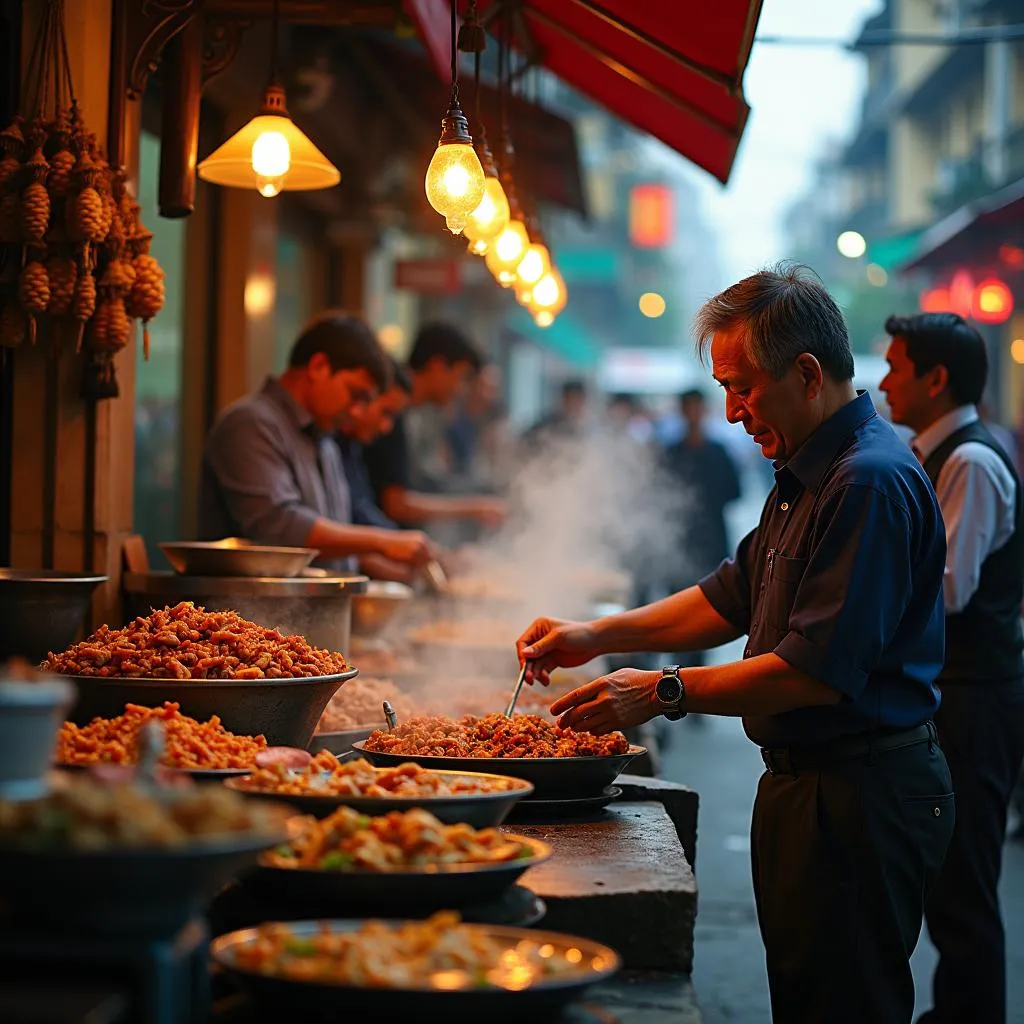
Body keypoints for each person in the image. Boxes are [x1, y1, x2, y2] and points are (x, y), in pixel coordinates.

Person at [516, 264, 954, 1024]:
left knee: (846, 1004)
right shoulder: (807, 470)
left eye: (744, 387)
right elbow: (729, 595)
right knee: (803, 994)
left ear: (808, 373)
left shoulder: (868, 482)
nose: (730, 412)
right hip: (806, 787)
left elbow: (813, 673)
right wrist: (595, 635)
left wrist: (660, 691)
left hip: (860, 796)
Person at [879, 312, 1024, 1024]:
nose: (882, 382)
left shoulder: (969, 460)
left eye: (896, 368)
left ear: (936, 379)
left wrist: (858, 594)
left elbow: (948, 591)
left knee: (965, 880)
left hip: (976, 695)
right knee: (947, 875)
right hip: (955, 691)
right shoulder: (933, 453)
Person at [198, 311, 434, 573]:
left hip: (313, 612)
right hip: (244, 612)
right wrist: (381, 541)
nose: (356, 412)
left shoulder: (325, 442)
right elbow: (278, 527)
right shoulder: (250, 422)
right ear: (318, 367)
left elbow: (334, 551)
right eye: (355, 395)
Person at [361, 322, 507, 530]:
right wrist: (475, 509)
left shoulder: (414, 416)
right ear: (437, 366)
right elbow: (396, 504)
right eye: (462, 378)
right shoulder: (391, 412)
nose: (462, 390)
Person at [660, 387, 742, 674]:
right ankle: (673, 674)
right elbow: (658, 494)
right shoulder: (670, 453)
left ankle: (693, 676)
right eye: (688, 408)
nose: (693, 413)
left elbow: (735, 492)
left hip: (710, 543)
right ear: (681, 411)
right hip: (677, 541)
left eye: (697, 407)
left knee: (705, 611)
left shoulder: (719, 452)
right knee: (676, 610)